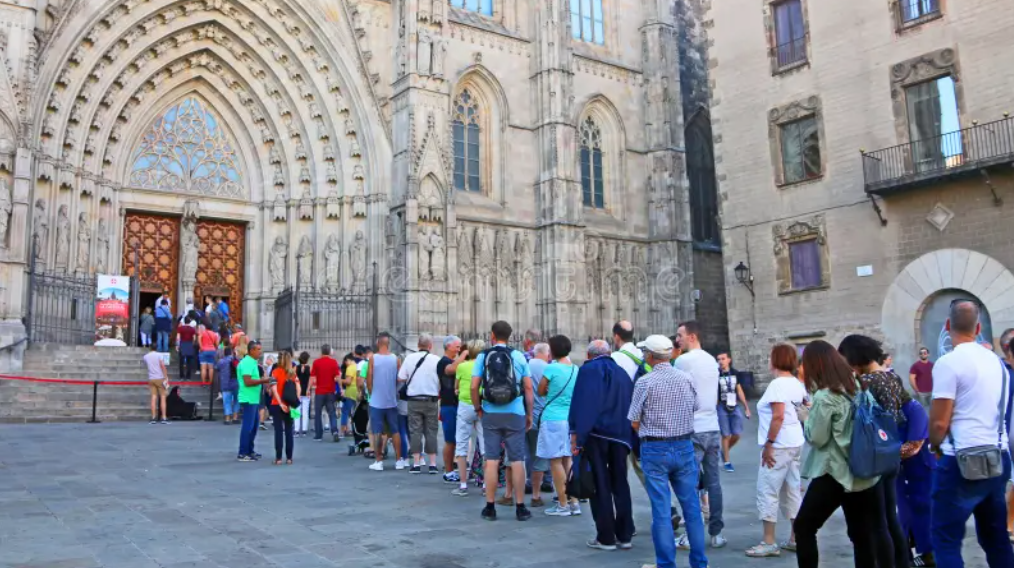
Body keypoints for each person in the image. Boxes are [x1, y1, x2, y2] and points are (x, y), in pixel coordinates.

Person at [928, 300, 1013, 567]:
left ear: (947, 326)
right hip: (997, 455)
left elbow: (940, 423)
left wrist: (935, 446)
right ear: (978, 328)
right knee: (995, 535)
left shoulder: (947, 363)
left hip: (961, 459)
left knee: (945, 537)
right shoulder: (999, 365)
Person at [793, 340, 891, 568]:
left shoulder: (825, 396)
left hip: (836, 471)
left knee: (804, 527)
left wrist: (806, 418)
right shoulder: (856, 384)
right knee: (861, 534)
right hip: (864, 469)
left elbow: (817, 438)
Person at [628, 335, 707, 568]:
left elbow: (633, 420)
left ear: (651, 356)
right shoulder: (686, 378)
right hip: (684, 445)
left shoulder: (645, 382)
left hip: (655, 447)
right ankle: (699, 563)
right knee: (691, 508)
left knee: (661, 511)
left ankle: (666, 564)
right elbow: (697, 407)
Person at [838, 334, 912, 568]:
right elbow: (905, 408)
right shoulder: (892, 378)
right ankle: (903, 561)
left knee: (877, 521)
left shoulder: (867, 381)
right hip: (892, 448)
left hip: (874, 453)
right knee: (890, 516)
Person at [569, 339, 634, 550]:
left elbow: (585, 403)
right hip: (621, 436)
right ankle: (625, 535)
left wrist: (578, 435)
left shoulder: (589, 371)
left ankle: (606, 537)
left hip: (598, 434)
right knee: (620, 483)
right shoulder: (622, 373)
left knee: (600, 484)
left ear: (589, 355)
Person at [745, 344, 805, 558]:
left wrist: (769, 443)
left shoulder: (777, 385)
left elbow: (777, 416)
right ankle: (796, 537)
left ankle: (769, 541)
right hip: (794, 440)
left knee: (768, 489)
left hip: (779, 444)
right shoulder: (797, 384)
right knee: (792, 489)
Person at [471, 320, 534, 521]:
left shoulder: (483, 355)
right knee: (517, 460)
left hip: (490, 412)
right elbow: (529, 388)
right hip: (515, 412)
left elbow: (474, 387)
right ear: (510, 336)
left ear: (492, 335)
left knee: (491, 460)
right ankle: (520, 507)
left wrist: (478, 408)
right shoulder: (518, 356)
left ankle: (490, 507)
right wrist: (529, 414)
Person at [674, 320, 727, 549]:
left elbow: (676, 392)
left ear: (692, 336)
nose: (677, 340)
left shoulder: (683, 361)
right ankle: (716, 534)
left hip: (692, 428)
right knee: (714, 482)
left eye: (680, 335)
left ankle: (690, 535)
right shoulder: (710, 361)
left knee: (689, 483)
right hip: (712, 426)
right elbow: (714, 396)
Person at [538, 336, 580, 517]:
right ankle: (574, 501)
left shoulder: (551, 368)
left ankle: (562, 504)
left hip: (552, 418)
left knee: (555, 461)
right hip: (569, 418)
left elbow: (541, 391)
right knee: (568, 460)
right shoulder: (575, 369)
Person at [400, 334, 443, 474]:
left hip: (414, 400)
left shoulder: (409, 358)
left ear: (418, 345)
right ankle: (432, 464)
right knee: (431, 431)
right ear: (430, 346)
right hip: (431, 400)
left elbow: (401, 377)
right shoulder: (437, 360)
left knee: (415, 431)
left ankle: (417, 463)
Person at [452, 339, 485, 496]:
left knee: (462, 443)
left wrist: (458, 391)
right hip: (482, 405)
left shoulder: (462, 366)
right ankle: (486, 484)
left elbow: (456, 388)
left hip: (465, 405)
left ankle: (463, 485)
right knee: (486, 446)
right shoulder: (485, 366)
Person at [367, 333, 404, 471]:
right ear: (388, 344)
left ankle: (378, 460)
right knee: (395, 431)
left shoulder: (373, 358)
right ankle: (399, 460)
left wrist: (371, 393)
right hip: (391, 400)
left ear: (378, 343)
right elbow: (399, 378)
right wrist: (394, 390)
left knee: (377, 431)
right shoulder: (396, 359)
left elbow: (369, 378)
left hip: (377, 400)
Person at [438, 336, 468, 483]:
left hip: (457, 404)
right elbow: (451, 370)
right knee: (450, 440)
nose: (458, 349)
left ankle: (455, 468)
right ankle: (448, 471)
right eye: (457, 347)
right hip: (448, 405)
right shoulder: (443, 362)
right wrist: (463, 355)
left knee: (457, 440)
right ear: (448, 346)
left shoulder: (454, 362)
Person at [526, 342, 552, 507]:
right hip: (542, 416)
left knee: (523, 454)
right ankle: (536, 494)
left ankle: (516, 489)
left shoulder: (525, 365)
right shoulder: (549, 369)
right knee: (540, 455)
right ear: (547, 353)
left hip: (523, 416)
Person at [717, 351, 750, 472]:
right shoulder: (717, 374)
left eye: (723, 358)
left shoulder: (735, 373)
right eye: (719, 359)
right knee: (725, 435)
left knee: (736, 434)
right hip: (721, 406)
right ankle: (727, 461)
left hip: (734, 405)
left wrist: (746, 407)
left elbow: (739, 390)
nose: (721, 361)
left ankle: (724, 451)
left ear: (729, 360)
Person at [237, 341, 270, 461]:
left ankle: (249, 450)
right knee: (248, 426)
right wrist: (263, 381)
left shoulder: (252, 362)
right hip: (248, 398)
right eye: (258, 349)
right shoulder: (247, 363)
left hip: (253, 398)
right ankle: (243, 452)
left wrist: (262, 380)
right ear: (251, 350)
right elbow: (247, 381)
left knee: (254, 425)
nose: (260, 352)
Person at [269, 350, 298, 464]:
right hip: (290, 405)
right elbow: (298, 389)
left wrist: (280, 402)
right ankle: (289, 457)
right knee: (289, 430)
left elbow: (273, 389)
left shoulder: (275, 372)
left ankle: (279, 458)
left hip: (277, 404)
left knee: (278, 431)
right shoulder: (293, 374)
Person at [310, 344, 341, 443]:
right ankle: (334, 430)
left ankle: (319, 434)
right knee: (331, 412)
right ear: (329, 352)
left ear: (321, 351)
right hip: (330, 391)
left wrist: (307, 388)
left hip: (319, 391)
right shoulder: (333, 362)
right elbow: (337, 377)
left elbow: (312, 377)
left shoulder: (316, 362)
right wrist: (341, 388)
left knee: (318, 413)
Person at [143, 344, 169, 424]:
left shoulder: (146, 356)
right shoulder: (159, 355)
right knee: (163, 398)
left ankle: (153, 417)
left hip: (151, 378)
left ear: (150, 348)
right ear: (157, 348)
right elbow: (162, 366)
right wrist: (166, 377)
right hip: (160, 378)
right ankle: (164, 417)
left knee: (153, 398)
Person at [217, 347, 238, 424]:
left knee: (227, 402)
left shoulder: (221, 361)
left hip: (225, 384)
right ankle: (235, 417)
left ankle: (227, 419)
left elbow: (216, 368)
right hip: (236, 384)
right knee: (236, 400)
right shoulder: (236, 360)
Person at [340, 353, 358, 438]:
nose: (345, 364)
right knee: (354, 412)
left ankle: (342, 430)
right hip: (357, 392)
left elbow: (348, 381)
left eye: (345, 362)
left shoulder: (350, 368)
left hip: (350, 392)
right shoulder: (357, 366)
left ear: (348, 360)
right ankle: (353, 429)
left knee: (345, 411)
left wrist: (340, 380)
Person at [295, 352, 312, 437]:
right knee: (305, 411)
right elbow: (310, 380)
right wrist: (308, 389)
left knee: (296, 410)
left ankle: (296, 429)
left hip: (297, 391)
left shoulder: (296, 368)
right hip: (306, 391)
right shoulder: (308, 368)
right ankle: (304, 429)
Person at [176, 316, 197, 380]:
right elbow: (194, 338)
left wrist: (177, 345)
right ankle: (188, 376)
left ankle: (181, 376)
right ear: (190, 321)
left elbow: (178, 337)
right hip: (189, 344)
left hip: (182, 344)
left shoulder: (180, 328)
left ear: (184, 321)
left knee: (181, 361)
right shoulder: (192, 329)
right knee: (189, 361)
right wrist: (192, 344)